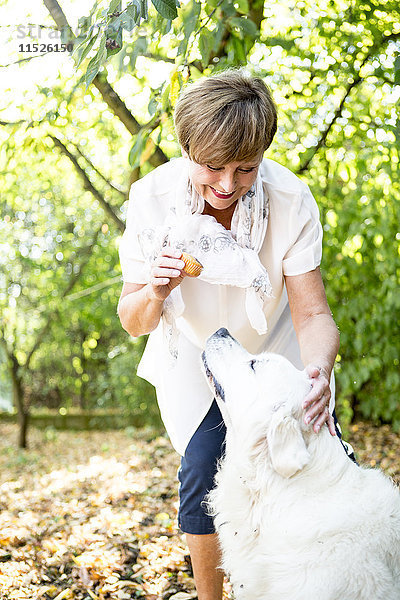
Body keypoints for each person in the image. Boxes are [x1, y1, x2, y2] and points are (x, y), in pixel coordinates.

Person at [117, 69, 345, 600]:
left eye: (245, 169)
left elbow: (313, 315)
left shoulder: (291, 200)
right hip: (197, 356)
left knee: (316, 461)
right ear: (185, 150)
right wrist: (154, 292)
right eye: (211, 167)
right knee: (203, 468)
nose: (226, 186)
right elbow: (132, 322)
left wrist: (317, 374)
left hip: (278, 351)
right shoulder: (150, 200)